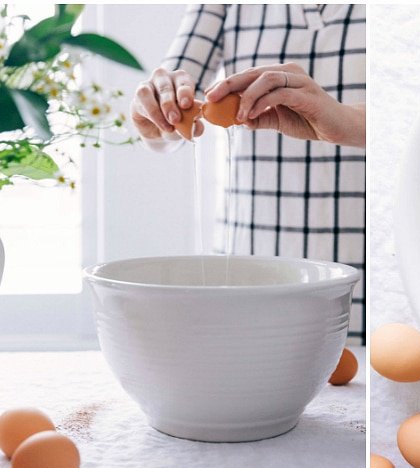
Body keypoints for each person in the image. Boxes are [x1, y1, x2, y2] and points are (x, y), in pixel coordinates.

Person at [130, 5, 366, 342]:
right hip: (248, 263)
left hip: (370, 257)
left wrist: (346, 121)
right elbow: (174, 108)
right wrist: (156, 114)